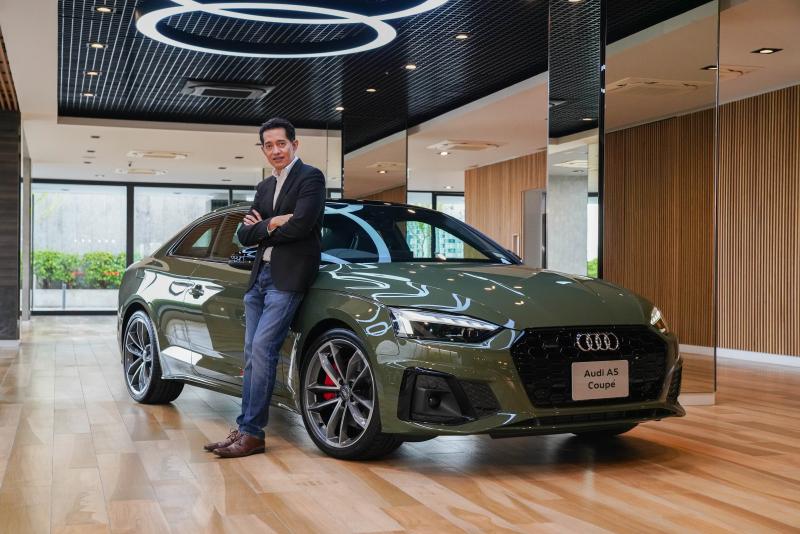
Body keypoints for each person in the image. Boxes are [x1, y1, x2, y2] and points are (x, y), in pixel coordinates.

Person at [205, 117, 326, 458]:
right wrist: (274, 221)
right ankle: (245, 428)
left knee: (262, 350)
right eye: (268, 145)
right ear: (263, 149)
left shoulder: (311, 178)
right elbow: (243, 235)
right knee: (251, 355)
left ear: (294, 145)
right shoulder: (264, 187)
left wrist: (264, 228)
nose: (275, 150)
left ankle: (253, 433)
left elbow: (302, 226)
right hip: (259, 277)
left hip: (288, 278)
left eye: (281, 144)